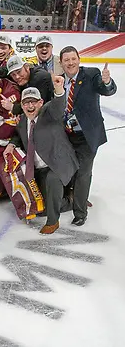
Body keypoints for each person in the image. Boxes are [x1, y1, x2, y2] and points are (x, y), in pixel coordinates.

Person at [6, 81, 78, 235]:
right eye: (26, 103)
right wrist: (12, 144)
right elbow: (19, 136)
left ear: (41, 103)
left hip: (57, 164)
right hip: (38, 169)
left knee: (53, 181)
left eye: (33, 102)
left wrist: (59, 90)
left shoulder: (48, 113)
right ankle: (72, 199)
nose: (30, 106)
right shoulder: (23, 121)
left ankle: (53, 222)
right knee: (40, 209)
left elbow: (58, 105)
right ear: (22, 105)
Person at [60, 46, 117, 226]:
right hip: (67, 135)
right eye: (66, 60)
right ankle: (70, 197)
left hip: (87, 135)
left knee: (83, 173)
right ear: (61, 63)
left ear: (79, 60)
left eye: (73, 59)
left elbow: (106, 89)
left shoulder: (91, 74)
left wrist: (107, 82)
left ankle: (80, 212)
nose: (70, 63)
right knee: (70, 171)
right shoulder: (59, 80)